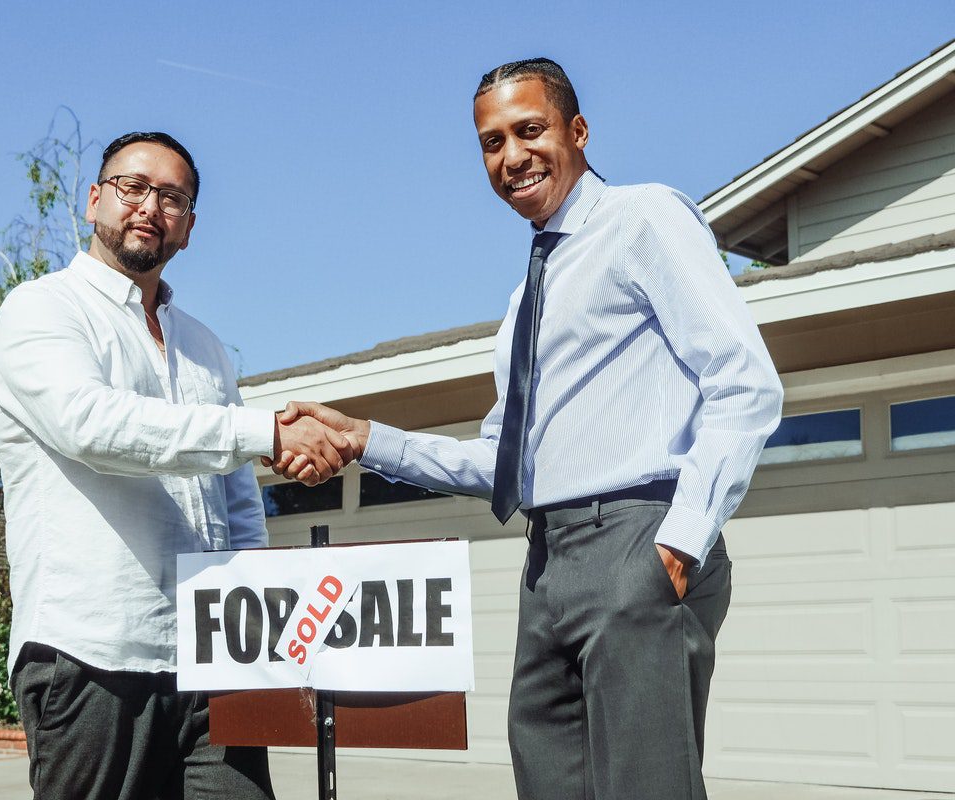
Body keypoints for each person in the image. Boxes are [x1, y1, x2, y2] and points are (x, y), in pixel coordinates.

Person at [270, 60, 783, 799]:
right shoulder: (524, 301)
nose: (511, 157)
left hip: (636, 539)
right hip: (548, 562)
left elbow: (745, 383)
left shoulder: (644, 218)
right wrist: (362, 439)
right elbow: (501, 462)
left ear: (576, 131)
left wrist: (680, 540)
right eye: (491, 142)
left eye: (529, 130)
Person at [0, 131, 352, 800]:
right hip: (91, 652)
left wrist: (260, 635)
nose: (149, 206)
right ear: (96, 199)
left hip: (214, 659)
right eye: (132, 187)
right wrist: (265, 432)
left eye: (172, 197)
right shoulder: (41, 310)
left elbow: (238, 503)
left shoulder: (205, 347)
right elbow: (91, 426)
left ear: (188, 227)